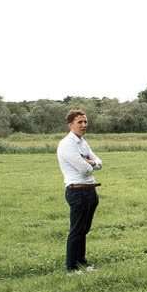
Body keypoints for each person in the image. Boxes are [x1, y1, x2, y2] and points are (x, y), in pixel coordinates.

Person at [56, 109, 102, 273]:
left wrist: (90, 161)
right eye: (79, 122)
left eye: (85, 122)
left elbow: (99, 162)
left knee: (84, 229)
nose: (83, 125)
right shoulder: (67, 144)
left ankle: (81, 262)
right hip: (77, 191)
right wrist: (90, 163)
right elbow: (84, 170)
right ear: (70, 125)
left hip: (90, 191)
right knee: (76, 230)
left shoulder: (82, 142)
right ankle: (71, 267)